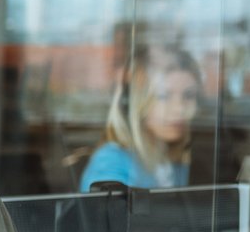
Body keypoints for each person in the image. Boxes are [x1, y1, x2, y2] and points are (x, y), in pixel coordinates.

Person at [79, 44, 201, 191]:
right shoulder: (111, 162)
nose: (180, 108)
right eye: (163, 96)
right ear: (136, 101)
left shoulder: (172, 157)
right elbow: (107, 210)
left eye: (188, 95)